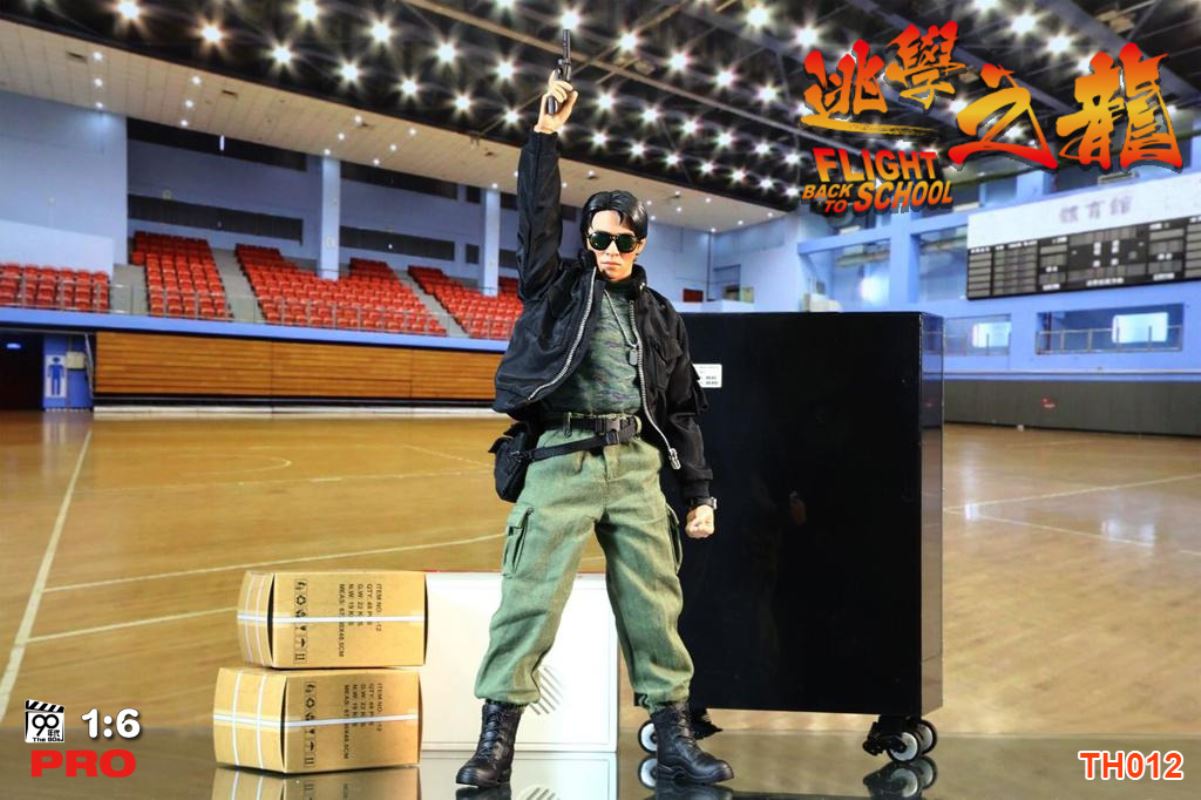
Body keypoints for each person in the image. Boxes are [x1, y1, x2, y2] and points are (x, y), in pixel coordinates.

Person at [456, 72, 732, 789]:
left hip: (636, 467)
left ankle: (674, 737)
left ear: (640, 243)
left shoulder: (661, 315)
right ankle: (495, 743)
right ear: (586, 239)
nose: (609, 249)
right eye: (599, 238)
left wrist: (698, 491)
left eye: (622, 240)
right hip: (561, 458)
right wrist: (544, 134)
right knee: (528, 600)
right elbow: (534, 219)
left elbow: (680, 410)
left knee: (654, 606)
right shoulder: (554, 288)